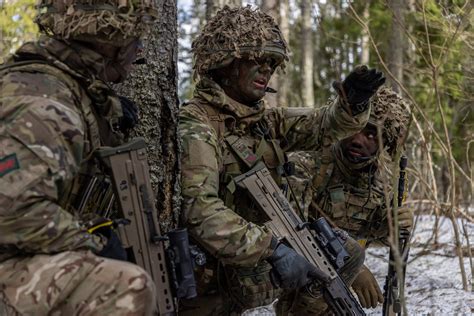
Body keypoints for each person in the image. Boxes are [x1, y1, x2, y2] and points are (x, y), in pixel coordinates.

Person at [179, 5, 386, 315]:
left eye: (272, 64)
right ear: (224, 63)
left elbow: (323, 126)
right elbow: (200, 209)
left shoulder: (264, 122)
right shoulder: (198, 125)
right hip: (213, 278)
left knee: (346, 254)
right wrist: (272, 248)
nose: (266, 71)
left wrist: (352, 104)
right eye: (257, 61)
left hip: (252, 265)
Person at [0, 0, 158, 314]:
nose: (140, 50)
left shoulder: (71, 91)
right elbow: (12, 209)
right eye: (135, 40)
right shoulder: (45, 97)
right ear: (108, 41)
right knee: (125, 288)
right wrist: (93, 243)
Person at [287, 87, 413, 309]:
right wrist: (353, 269)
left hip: (331, 276)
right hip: (292, 269)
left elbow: (377, 234)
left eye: (371, 134)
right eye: (354, 128)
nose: (358, 140)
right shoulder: (309, 163)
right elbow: (289, 233)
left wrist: (394, 224)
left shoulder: (381, 183)